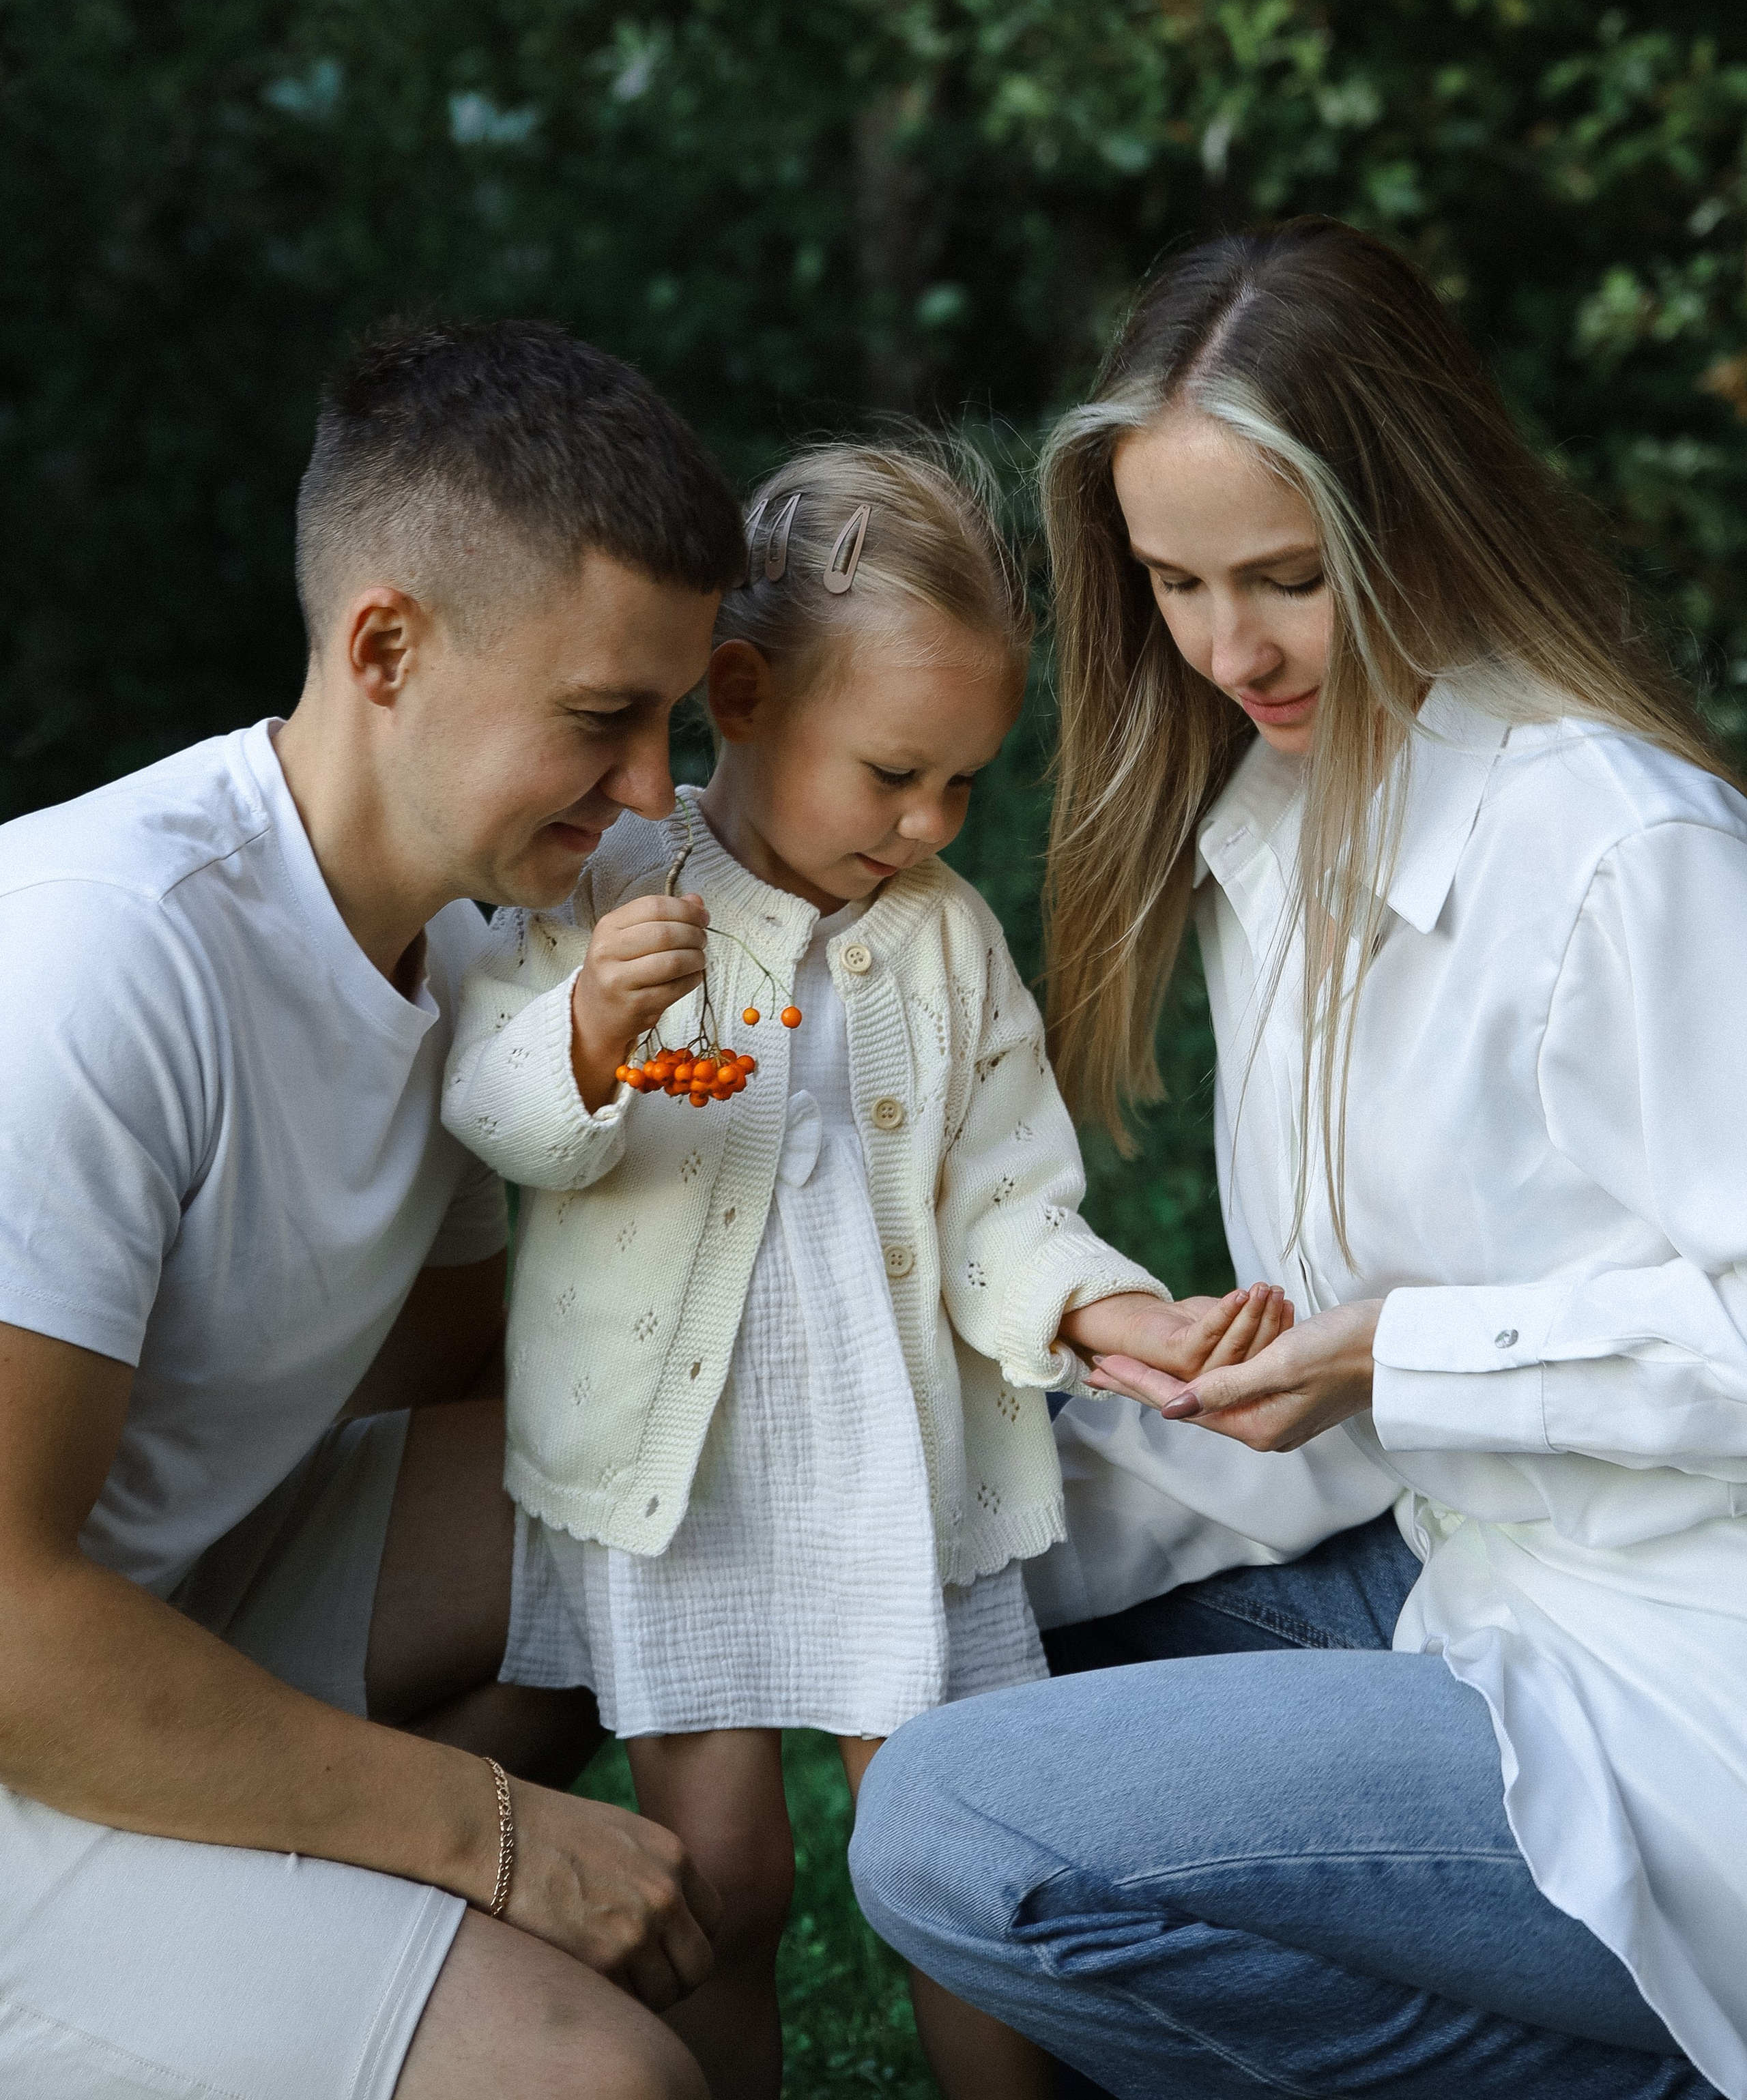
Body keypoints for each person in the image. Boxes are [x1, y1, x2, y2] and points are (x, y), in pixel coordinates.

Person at [849, 220, 1747, 2100]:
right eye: (1174, 582)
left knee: (951, 1819)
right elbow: (1335, 1404)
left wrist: (1395, 1354)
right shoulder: (1269, 824)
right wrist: (947, 1521)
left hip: (1677, 1690)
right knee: (941, 1624)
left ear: (1417, 521)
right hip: (1456, 1581)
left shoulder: (1621, 851)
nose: (1227, 648)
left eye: (1285, 577)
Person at [439, 441, 1289, 2100]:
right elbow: (501, 1116)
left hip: (902, 1446)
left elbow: (1001, 1190)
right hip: (686, 1468)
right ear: (740, 696)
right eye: (894, 772)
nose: (929, 823)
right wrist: (592, 1032)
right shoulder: (610, 889)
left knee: (957, 1847)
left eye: (962, 784)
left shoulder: (945, 939)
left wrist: (1100, 1304)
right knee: (724, 1874)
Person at [0, 319, 748, 2100]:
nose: (652, 789)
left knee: (681, 1490)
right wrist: (487, 1830)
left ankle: (315, 1944)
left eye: (673, 720)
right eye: (601, 718)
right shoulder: (99, 963)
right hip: (27, 1677)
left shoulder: (477, 938)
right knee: (606, 2084)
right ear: (386, 647)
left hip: (167, 1594)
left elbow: (437, 1373)